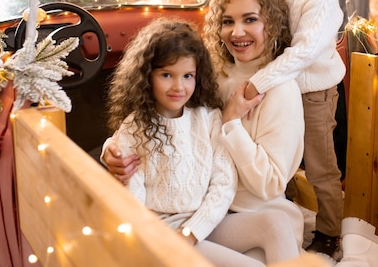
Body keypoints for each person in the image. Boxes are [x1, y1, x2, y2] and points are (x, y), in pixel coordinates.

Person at [103, 0, 306, 264]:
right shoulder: (217, 73)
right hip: (199, 215)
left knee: (274, 234)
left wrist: (232, 123)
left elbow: (267, 184)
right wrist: (113, 151)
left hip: (239, 211)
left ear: (272, 23)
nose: (237, 32)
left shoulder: (280, 90)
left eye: (250, 19)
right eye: (227, 21)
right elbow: (157, 127)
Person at [103, 18, 264, 267]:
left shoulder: (208, 119)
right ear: (147, 77)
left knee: (268, 238)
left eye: (187, 75)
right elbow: (132, 195)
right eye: (167, 75)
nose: (179, 86)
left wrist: (191, 233)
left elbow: (223, 184)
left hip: (204, 223)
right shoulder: (135, 128)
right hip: (161, 230)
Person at [243, 0, 346, 257]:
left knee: (320, 165)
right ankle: (281, 209)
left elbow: (302, 54)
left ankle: (330, 233)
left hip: (313, 91)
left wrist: (258, 83)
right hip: (282, 87)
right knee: (277, 149)